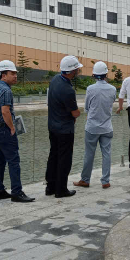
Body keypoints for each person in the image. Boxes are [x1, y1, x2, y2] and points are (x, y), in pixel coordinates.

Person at [0, 60, 34, 203]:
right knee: (13, 161)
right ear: (3, 75)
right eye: (12, 73)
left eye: (15, 73)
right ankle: (17, 192)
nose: (15, 76)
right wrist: (12, 127)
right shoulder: (6, 90)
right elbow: (5, 111)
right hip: (4, 130)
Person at [73, 61, 117, 189]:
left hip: (92, 127)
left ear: (94, 75)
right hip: (107, 127)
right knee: (106, 154)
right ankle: (105, 180)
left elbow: (87, 108)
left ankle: (85, 180)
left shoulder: (90, 89)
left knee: (89, 154)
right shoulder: (113, 89)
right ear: (106, 74)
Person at [46, 55, 83, 198]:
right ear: (72, 71)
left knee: (53, 156)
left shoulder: (55, 80)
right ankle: (61, 189)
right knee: (64, 159)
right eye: (77, 69)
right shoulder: (68, 89)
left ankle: (50, 187)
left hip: (52, 126)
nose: (78, 71)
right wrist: (79, 112)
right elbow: (75, 113)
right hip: (65, 130)